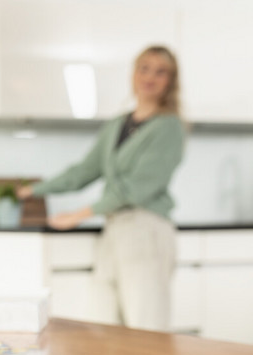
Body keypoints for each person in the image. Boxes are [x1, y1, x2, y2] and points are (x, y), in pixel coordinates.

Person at [17, 45, 186, 332]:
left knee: (147, 328)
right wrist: (36, 190)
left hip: (147, 229)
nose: (150, 77)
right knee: (104, 327)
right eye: (144, 68)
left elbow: (135, 189)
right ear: (133, 74)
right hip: (114, 229)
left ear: (170, 81)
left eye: (161, 72)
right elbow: (85, 171)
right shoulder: (118, 125)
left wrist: (79, 214)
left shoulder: (169, 128)